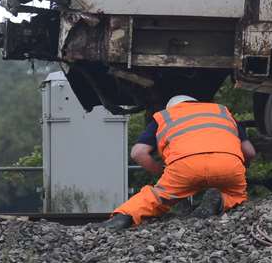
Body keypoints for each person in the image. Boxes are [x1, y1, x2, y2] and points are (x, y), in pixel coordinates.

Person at [102, 95, 257, 231]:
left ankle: (123, 217)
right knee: (236, 195)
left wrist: (160, 171)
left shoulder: (165, 116)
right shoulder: (222, 112)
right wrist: (241, 168)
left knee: (157, 197)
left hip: (185, 167)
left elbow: (138, 153)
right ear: (194, 103)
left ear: (173, 107)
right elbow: (250, 152)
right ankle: (220, 200)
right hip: (227, 164)